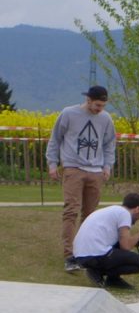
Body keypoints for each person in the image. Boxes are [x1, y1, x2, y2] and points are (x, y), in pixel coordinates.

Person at [46, 85, 117, 272]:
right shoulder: (69, 114)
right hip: (73, 168)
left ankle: (85, 253)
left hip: (95, 171)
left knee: (91, 216)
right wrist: (53, 163)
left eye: (103, 105)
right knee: (71, 211)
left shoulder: (106, 119)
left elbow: (110, 143)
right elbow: (56, 139)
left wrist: (107, 166)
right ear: (88, 100)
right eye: (97, 105)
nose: (99, 109)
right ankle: (69, 255)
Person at [73, 192, 139, 289]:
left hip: (81, 255)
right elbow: (126, 246)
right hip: (94, 255)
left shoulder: (114, 210)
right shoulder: (125, 214)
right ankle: (98, 272)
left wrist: (136, 239)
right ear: (137, 209)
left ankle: (112, 278)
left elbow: (120, 242)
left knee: (118, 251)